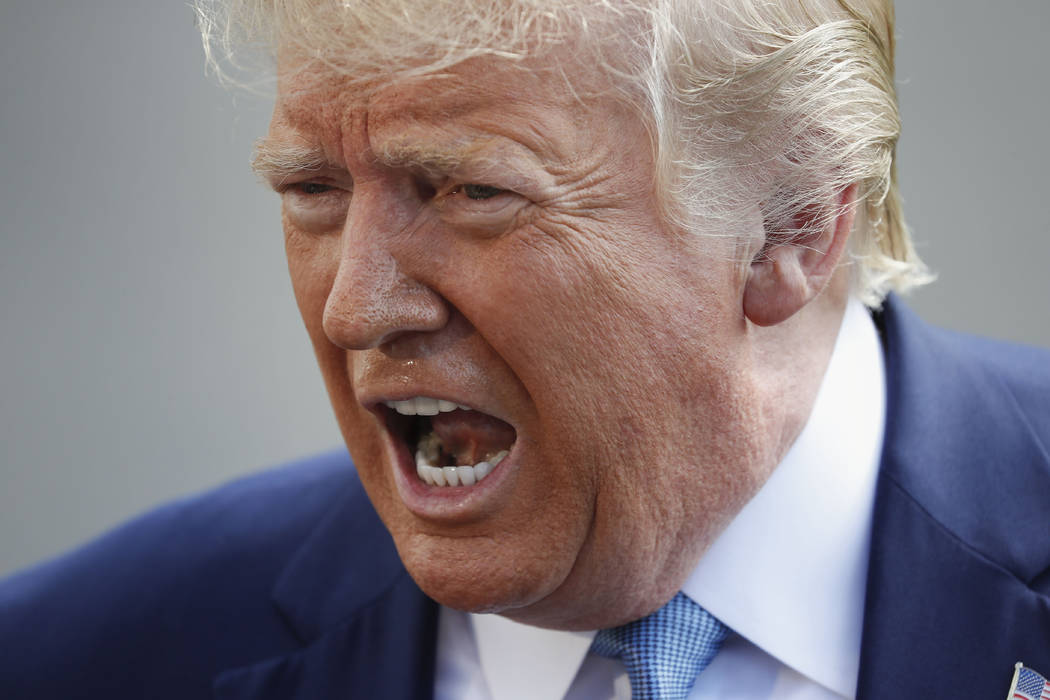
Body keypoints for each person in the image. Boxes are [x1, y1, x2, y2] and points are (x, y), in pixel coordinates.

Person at [2, 0, 1048, 698]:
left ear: (792, 227)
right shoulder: (84, 654)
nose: (355, 310)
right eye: (313, 192)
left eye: (470, 193)